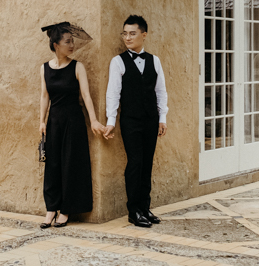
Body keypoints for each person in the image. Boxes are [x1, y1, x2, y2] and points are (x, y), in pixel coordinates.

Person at [103, 15, 168, 228]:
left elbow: (161, 91)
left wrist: (162, 117)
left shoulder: (154, 60)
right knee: (135, 163)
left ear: (143, 35)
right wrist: (111, 120)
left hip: (151, 120)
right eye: (125, 33)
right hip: (130, 120)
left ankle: (145, 208)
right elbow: (113, 92)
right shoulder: (118, 61)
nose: (127, 38)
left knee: (147, 163)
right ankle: (134, 211)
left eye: (132, 33)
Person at [40, 24, 106, 228]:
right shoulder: (44, 68)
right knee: (52, 166)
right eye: (67, 41)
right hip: (54, 121)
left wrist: (94, 120)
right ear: (55, 44)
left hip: (73, 120)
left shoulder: (77, 67)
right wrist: (41, 121)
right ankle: (51, 208)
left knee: (70, 164)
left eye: (72, 41)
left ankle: (66, 209)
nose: (72, 45)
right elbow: (44, 96)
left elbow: (86, 96)